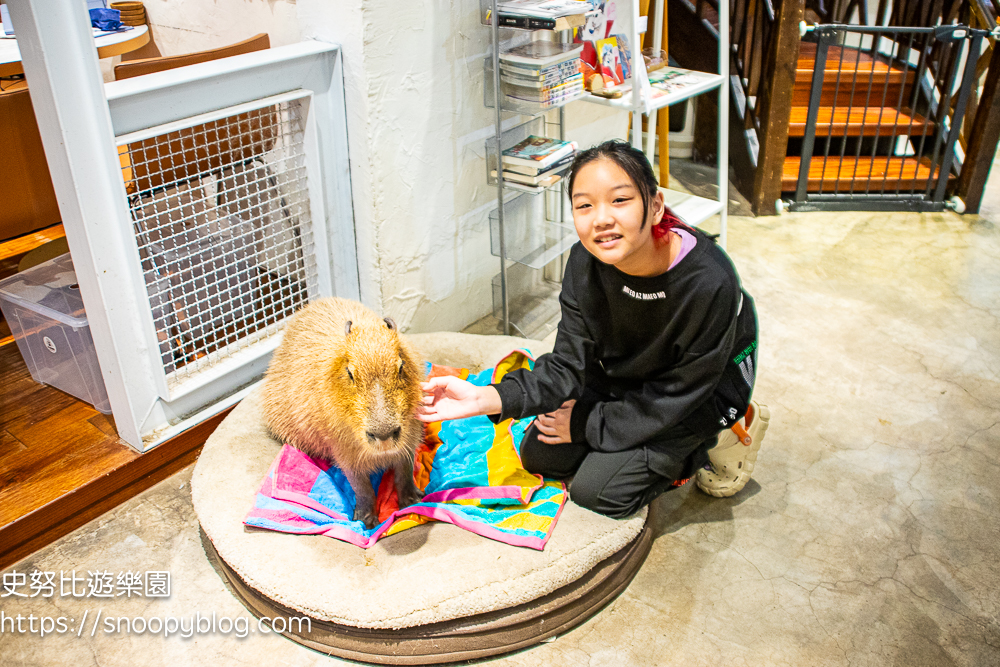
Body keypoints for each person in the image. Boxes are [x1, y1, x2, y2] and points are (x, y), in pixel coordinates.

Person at [417, 140, 768, 518]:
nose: (600, 219)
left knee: (598, 492)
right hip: (628, 378)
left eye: (620, 200)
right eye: (585, 205)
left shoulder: (708, 281)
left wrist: (586, 423)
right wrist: (483, 397)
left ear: (654, 206)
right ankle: (620, 441)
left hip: (694, 397)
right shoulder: (585, 262)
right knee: (540, 453)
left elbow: (678, 396)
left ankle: (726, 437)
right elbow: (567, 364)